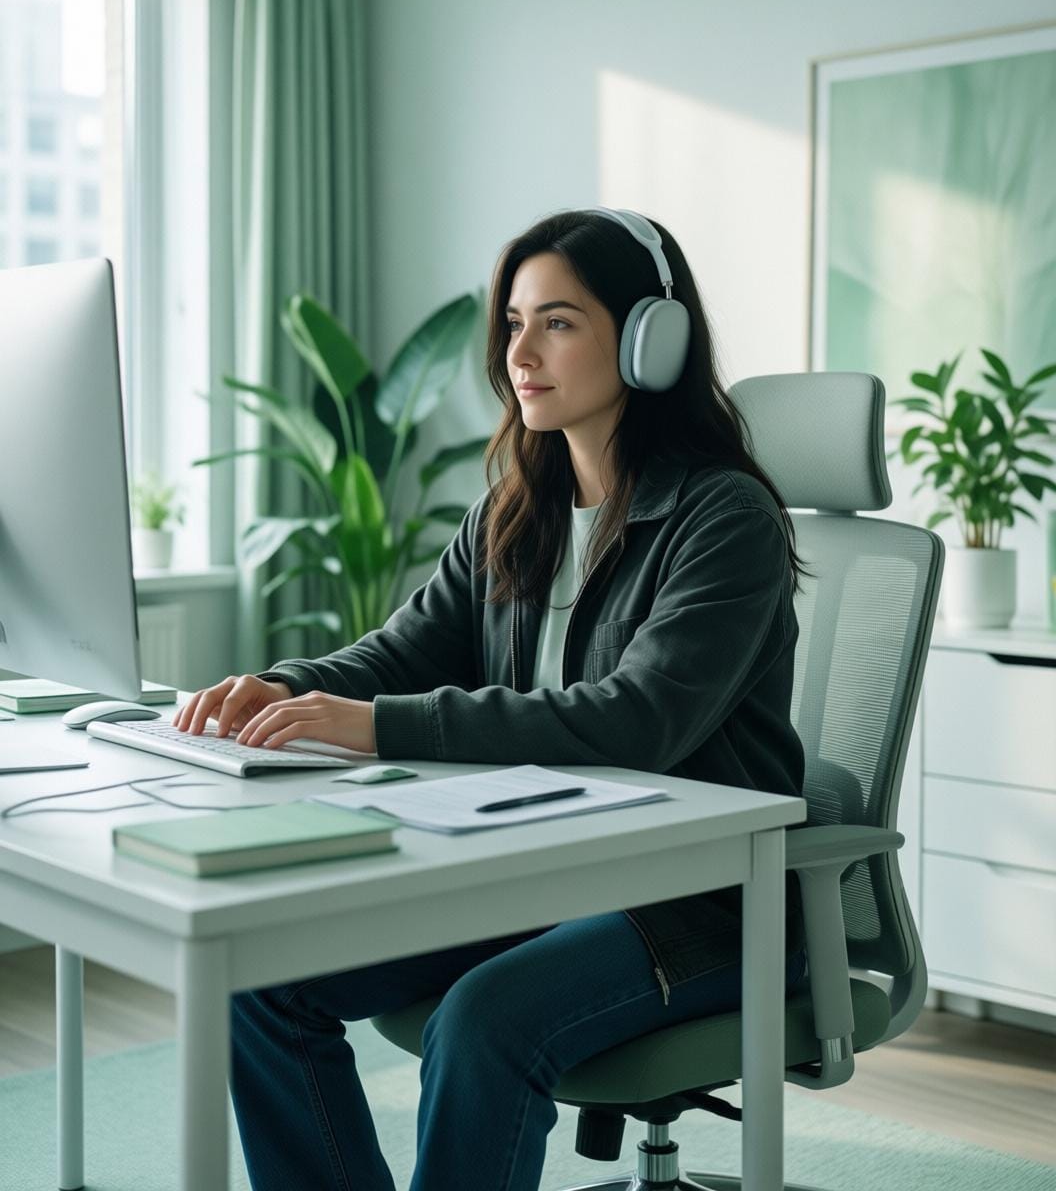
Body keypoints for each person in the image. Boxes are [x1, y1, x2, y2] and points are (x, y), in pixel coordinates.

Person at [174, 207, 810, 1191]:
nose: (521, 352)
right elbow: (406, 648)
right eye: (513, 323)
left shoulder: (723, 517)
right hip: (542, 877)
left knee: (484, 1018)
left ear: (651, 337)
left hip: (699, 903)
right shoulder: (514, 508)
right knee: (262, 976)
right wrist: (286, 685)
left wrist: (378, 725)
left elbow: (634, 718)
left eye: (557, 321)